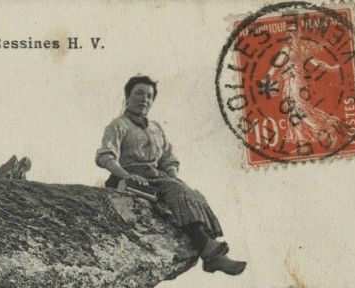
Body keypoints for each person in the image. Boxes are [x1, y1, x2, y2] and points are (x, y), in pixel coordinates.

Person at [96, 75, 246, 275]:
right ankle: (212, 254)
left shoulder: (156, 128)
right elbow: (105, 157)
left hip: (156, 178)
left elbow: (168, 160)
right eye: (139, 93)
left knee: (192, 194)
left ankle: (215, 256)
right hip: (128, 178)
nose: (144, 99)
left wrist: (173, 177)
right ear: (128, 97)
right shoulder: (118, 125)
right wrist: (126, 175)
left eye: (149, 96)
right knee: (175, 191)